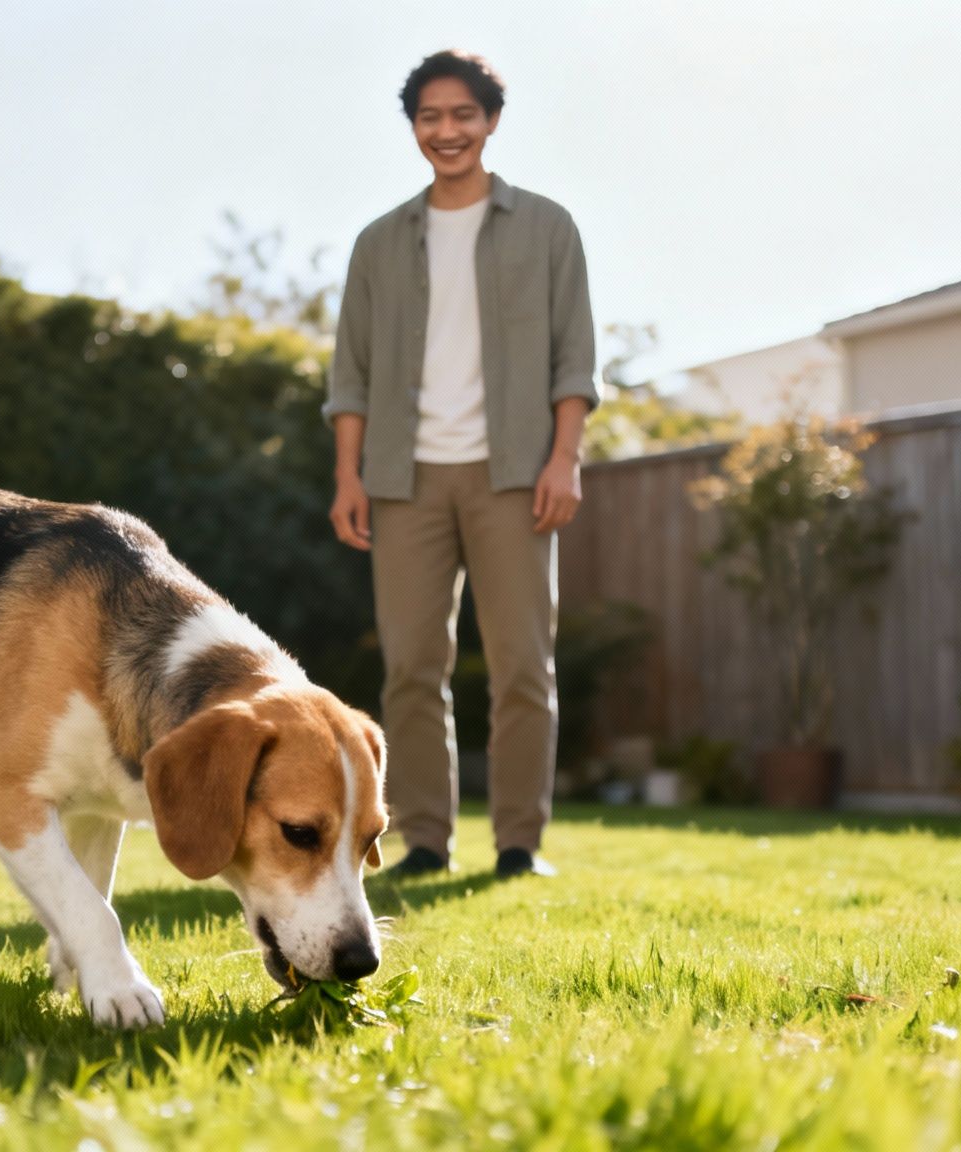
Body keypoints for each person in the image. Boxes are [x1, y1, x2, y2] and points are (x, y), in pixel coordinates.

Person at [323, 49, 598, 879]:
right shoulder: (378, 243)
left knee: (522, 667)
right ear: (414, 127)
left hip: (514, 475)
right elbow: (352, 372)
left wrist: (565, 459)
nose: (448, 131)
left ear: (491, 122)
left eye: (463, 115)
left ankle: (519, 844)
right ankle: (424, 843)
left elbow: (574, 358)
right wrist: (349, 475)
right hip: (405, 480)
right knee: (411, 669)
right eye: (430, 117)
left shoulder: (547, 228)